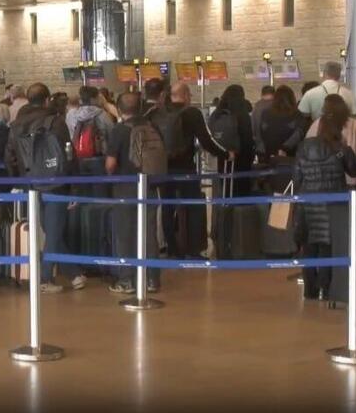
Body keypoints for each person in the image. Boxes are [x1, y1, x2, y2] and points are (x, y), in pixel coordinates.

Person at [4, 82, 86, 293]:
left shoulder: (16, 125)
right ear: (47, 99)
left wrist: (19, 180)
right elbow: (68, 155)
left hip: (31, 184)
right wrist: (74, 186)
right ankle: (45, 279)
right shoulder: (55, 122)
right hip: (55, 184)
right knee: (53, 232)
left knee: (51, 230)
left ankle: (75, 274)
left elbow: (9, 158)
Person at [293, 94, 356, 300]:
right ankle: (327, 287)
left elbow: (297, 177)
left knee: (309, 247)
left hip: (307, 203)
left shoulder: (304, 147)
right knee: (327, 246)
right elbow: (354, 171)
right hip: (332, 204)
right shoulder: (340, 149)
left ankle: (310, 290)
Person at [163, 81, 231, 258]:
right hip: (185, 169)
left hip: (163, 169)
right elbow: (206, 140)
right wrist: (225, 154)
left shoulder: (161, 111)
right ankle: (193, 250)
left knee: (167, 209)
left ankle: (172, 248)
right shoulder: (192, 113)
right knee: (193, 207)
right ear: (185, 95)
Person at [105, 92, 161, 294]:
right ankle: (152, 279)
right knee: (149, 234)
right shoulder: (151, 127)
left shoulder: (119, 131)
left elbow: (111, 163)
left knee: (125, 235)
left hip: (125, 188)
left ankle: (127, 280)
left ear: (119, 110)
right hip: (150, 187)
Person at [209, 84, 255, 196]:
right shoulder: (242, 114)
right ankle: (239, 212)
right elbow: (247, 139)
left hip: (222, 156)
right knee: (240, 190)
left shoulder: (217, 113)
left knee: (224, 187)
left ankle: (224, 211)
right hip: (240, 159)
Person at [306, 95, 356, 166]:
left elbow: (307, 147)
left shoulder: (318, 124)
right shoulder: (355, 124)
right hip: (348, 172)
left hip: (320, 171)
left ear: (324, 109)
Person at [65, 85, 116, 176]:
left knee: (82, 187)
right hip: (98, 157)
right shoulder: (102, 114)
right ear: (94, 99)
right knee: (100, 187)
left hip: (77, 157)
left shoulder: (71, 114)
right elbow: (112, 133)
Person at [260, 86, 307, 159]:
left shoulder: (265, 113)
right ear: (292, 98)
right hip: (291, 155)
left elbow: (262, 131)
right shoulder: (297, 114)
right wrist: (284, 148)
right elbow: (298, 134)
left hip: (270, 153)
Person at [251, 85, 276, 159]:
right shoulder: (277, 105)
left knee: (263, 168)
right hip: (276, 146)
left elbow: (253, 126)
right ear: (274, 94)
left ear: (262, 94)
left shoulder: (257, 106)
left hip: (260, 146)